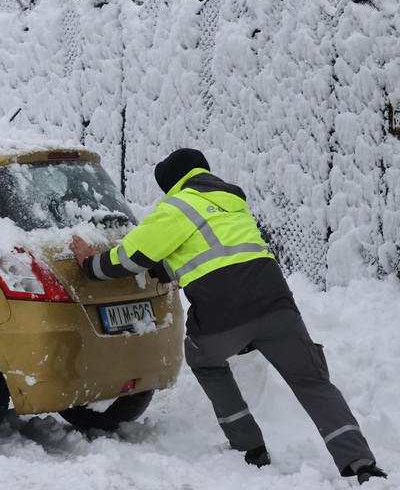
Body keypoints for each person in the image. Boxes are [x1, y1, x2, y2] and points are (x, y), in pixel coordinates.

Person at [69, 148, 387, 485]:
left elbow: (130, 257)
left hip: (223, 313)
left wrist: (90, 264)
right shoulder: (232, 203)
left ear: (172, 183)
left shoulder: (177, 208)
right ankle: (361, 464)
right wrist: (166, 271)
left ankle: (249, 447)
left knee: (202, 359)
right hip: (278, 307)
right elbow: (208, 251)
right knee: (313, 382)